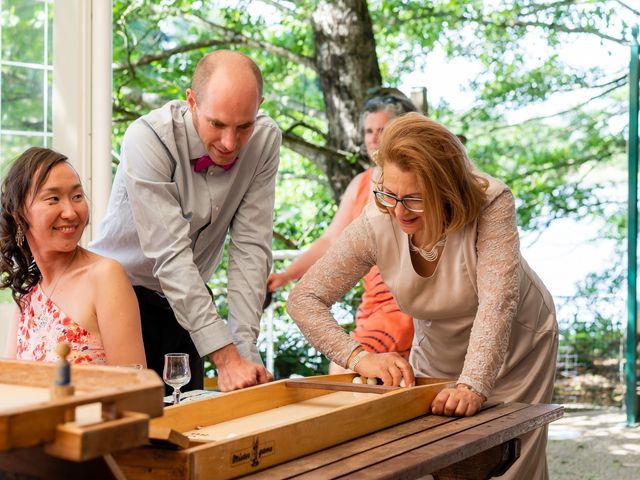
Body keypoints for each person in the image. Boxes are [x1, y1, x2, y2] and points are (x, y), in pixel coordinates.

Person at [287, 113, 558, 479]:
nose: (398, 212)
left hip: (516, 345)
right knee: (427, 459)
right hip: (437, 342)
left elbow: (498, 304)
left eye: (414, 199)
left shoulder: (491, 202)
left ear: (446, 189)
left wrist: (474, 384)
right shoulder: (377, 219)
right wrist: (359, 357)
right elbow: (305, 299)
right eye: (389, 194)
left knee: (508, 461)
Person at [90, 50, 281, 392]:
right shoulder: (148, 138)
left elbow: (250, 249)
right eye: (217, 124)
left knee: (188, 420)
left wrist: (244, 352)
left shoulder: (265, 141)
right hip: (120, 301)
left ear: (259, 106)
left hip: (189, 308)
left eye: (244, 127)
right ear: (191, 101)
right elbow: (171, 255)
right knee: (129, 426)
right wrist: (225, 358)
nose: (230, 143)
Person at [268, 91, 416, 363]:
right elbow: (330, 240)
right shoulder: (360, 184)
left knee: (348, 372)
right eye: (369, 130)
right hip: (372, 304)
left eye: (382, 130)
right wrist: (286, 276)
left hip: (407, 303)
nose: (373, 138)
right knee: (355, 373)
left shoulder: (420, 180)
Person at [0, 147, 146, 366]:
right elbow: (10, 382)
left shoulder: (105, 276)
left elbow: (135, 389)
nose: (70, 212)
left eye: (77, 196)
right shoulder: (27, 293)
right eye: (53, 199)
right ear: (19, 214)